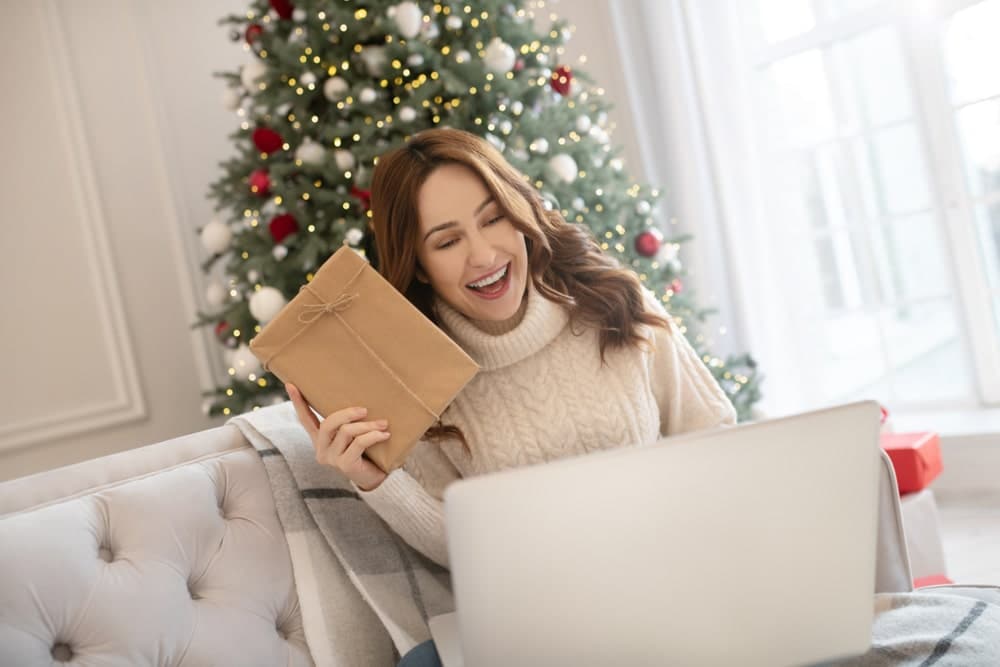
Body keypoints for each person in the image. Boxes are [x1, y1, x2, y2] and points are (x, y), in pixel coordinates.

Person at [285, 127, 736, 666]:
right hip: (541, 631)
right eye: (447, 241)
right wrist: (373, 479)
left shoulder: (617, 304)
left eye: (493, 218)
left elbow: (715, 439)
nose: (483, 255)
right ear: (419, 264)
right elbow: (463, 548)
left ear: (520, 212)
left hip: (668, 589)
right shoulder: (416, 382)